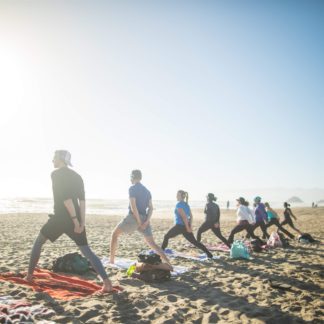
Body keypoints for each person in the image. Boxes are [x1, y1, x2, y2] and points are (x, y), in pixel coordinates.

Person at [25, 150, 113, 293]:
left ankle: (29, 276)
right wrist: (81, 222)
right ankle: (107, 283)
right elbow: (82, 201)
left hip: (60, 218)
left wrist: (74, 220)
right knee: (87, 251)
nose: (52, 160)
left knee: (39, 241)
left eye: (54, 157)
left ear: (60, 159)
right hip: (77, 218)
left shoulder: (56, 174)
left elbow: (66, 199)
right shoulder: (77, 176)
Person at [109, 170, 171, 266]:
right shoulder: (147, 191)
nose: (130, 179)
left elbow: (134, 208)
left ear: (133, 177)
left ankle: (111, 261)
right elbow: (151, 208)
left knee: (114, 235)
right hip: (144, 218)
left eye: (130, 177)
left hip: (134, 218)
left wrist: (139, 222)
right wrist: (146, 221)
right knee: (152, 244)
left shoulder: (132, 189)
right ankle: (168, 262)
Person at [161, 190, 213, 258]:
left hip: (180, 226)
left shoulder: (179, 204)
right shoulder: (186, 204)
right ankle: (209, 254)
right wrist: (189, 226)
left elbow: (184, 217)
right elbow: (191, 216)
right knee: (194, 242)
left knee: (166, 236)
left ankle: (161, 252)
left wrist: (188, 228)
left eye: (178, 195)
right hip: (186, 226)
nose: (176, 196)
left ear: (181, 196)